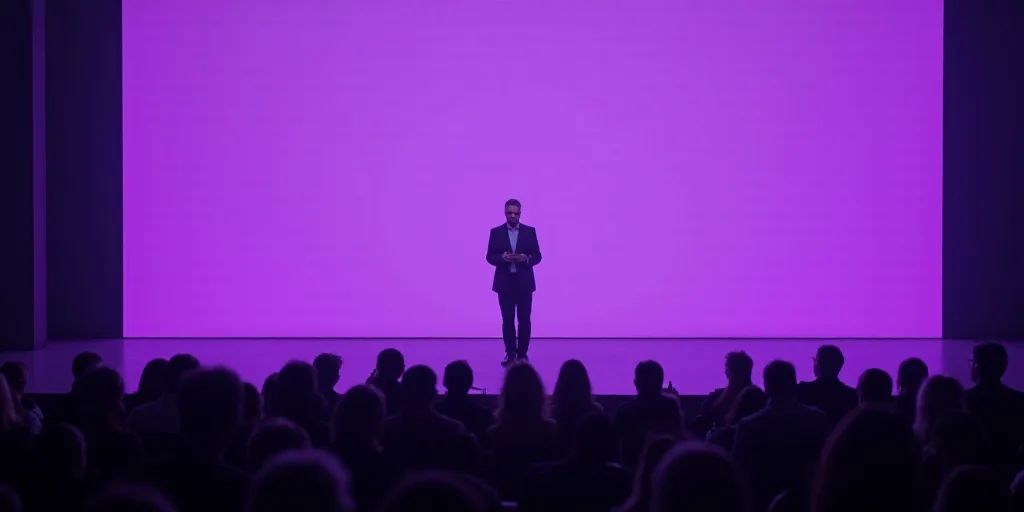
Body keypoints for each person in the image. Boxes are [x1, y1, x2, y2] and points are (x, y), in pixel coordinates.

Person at [486, 199, 542, 366]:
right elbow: (489, 256)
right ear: (505, 213)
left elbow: (538, 255)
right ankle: (510, 354)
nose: (512, 216)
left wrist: (526, 258)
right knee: (507, 320)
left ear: (520, 213)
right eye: (509, 213)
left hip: (524, 283)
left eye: (515, 213)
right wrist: (502, 258)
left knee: (524, 320)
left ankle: (522, 354)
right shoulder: (496, 232)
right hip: (505, 283)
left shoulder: (529, 231)